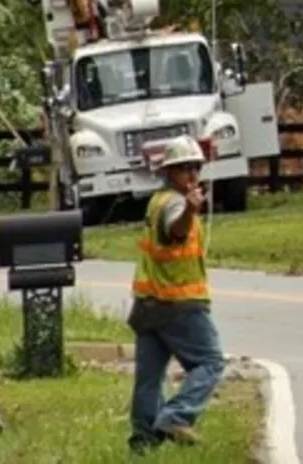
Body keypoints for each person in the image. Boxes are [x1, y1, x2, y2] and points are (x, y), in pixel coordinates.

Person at [128, 137, 222, 451]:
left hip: (148, 304)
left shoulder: (157, 200)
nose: (192, 174)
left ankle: (143, 442)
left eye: (196, 167)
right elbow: (175, 228)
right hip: (179, 304)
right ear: (169, 171)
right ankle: (176, 415)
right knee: (209, 362)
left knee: (149, 378)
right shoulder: (174, 204)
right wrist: (190, 212)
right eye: (184, 168)